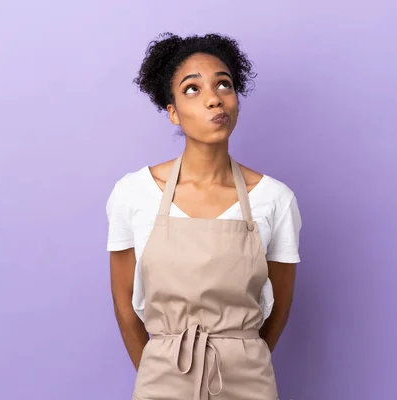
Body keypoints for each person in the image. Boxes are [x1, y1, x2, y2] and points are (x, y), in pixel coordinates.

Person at [106, 32, 302, 400]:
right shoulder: (133, 193)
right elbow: (124, 299)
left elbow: (280, 303)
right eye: (192, 89)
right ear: (173, 111)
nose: (214, 98)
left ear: (236, 101)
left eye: (223, 85)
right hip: (163, 378)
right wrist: (155, 369)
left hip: (248, 382)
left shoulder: (274, 198)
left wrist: (241, 356)